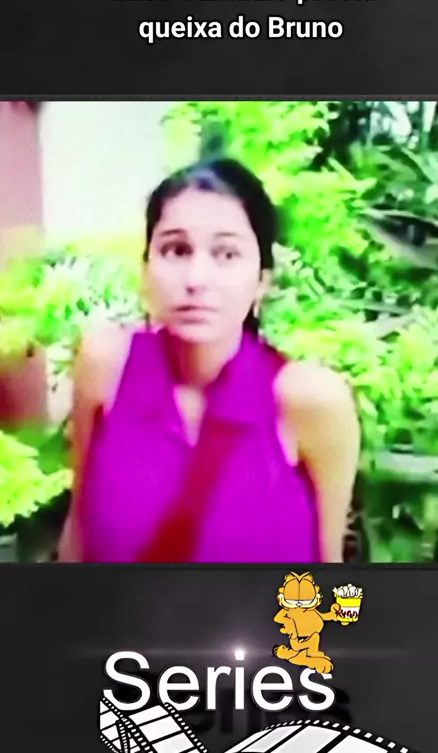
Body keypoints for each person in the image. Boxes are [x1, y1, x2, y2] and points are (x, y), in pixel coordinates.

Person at [58, 158, 360, 563]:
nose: (196, 279)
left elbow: (329, 564)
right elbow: (78, 532)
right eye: (176, 250)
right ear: (146, 270)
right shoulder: (106, 366)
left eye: (227, 254)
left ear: (262, 281)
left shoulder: (311, 401)